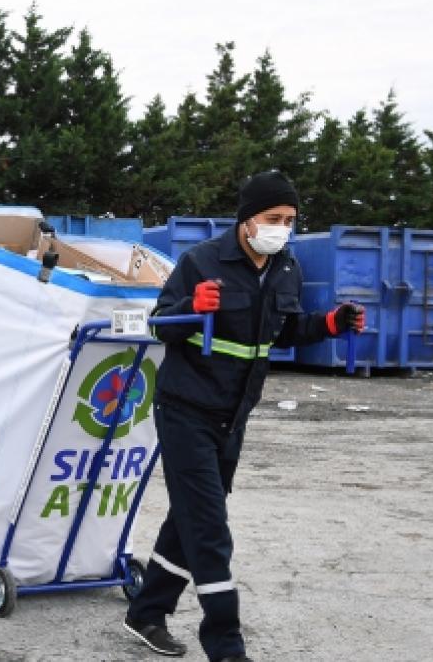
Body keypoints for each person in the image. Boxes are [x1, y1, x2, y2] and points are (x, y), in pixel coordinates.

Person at [122, 171, 365, 662]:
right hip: (186, 408)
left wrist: (329, 324)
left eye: (290, 220)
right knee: (210, 530)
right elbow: (159, 325)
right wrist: (193, 307)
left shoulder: (286, 267)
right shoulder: (201, 262)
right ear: (247, 220)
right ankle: (226, 646)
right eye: (273, 218)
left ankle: (146, 613)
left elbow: (285, 329)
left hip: (233, 417)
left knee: (189, 518)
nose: (283, 228)